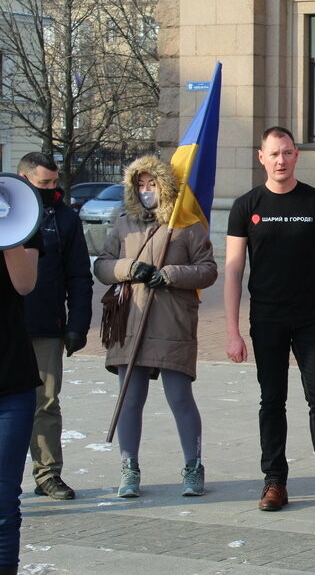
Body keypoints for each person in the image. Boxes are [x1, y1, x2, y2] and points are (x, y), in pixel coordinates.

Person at [225, 126, 315, 511]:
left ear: (297, 155)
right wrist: (232, 331)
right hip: (266, 319)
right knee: (272, 401)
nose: (281, 160)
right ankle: (274, 483)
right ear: (260, 157)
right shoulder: (246, 206)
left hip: (313, 319)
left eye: (287, 152)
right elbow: (233, 270)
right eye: (274, 153)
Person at [94, 155, 217, 498]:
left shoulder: (187, 225)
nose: (146, 191)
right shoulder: (123, 224)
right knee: (130, 398)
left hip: (172, 322)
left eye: (152, 184)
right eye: (140, 185)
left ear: (165, 186)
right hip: (130, 322)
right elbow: (102, 266)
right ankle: (129, 467)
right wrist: (128, 269)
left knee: (179, 397)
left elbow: (208, 270)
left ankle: (193, 466)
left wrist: (171, 275)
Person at [17, 153, 93, 502]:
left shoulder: (64, 217)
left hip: (47, 324)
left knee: (45, 403)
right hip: (8, 325)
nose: (52, 189)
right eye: (43, 184)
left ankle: (48, 474)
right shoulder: (6, 212)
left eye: (54, 182)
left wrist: (78, 323)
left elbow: (79, 275)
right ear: (23, 179)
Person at [0, 224, 43, 575]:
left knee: (3, 502)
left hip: (11, 383)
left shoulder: (18, 220)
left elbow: (25, 283)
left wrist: (6, 230)